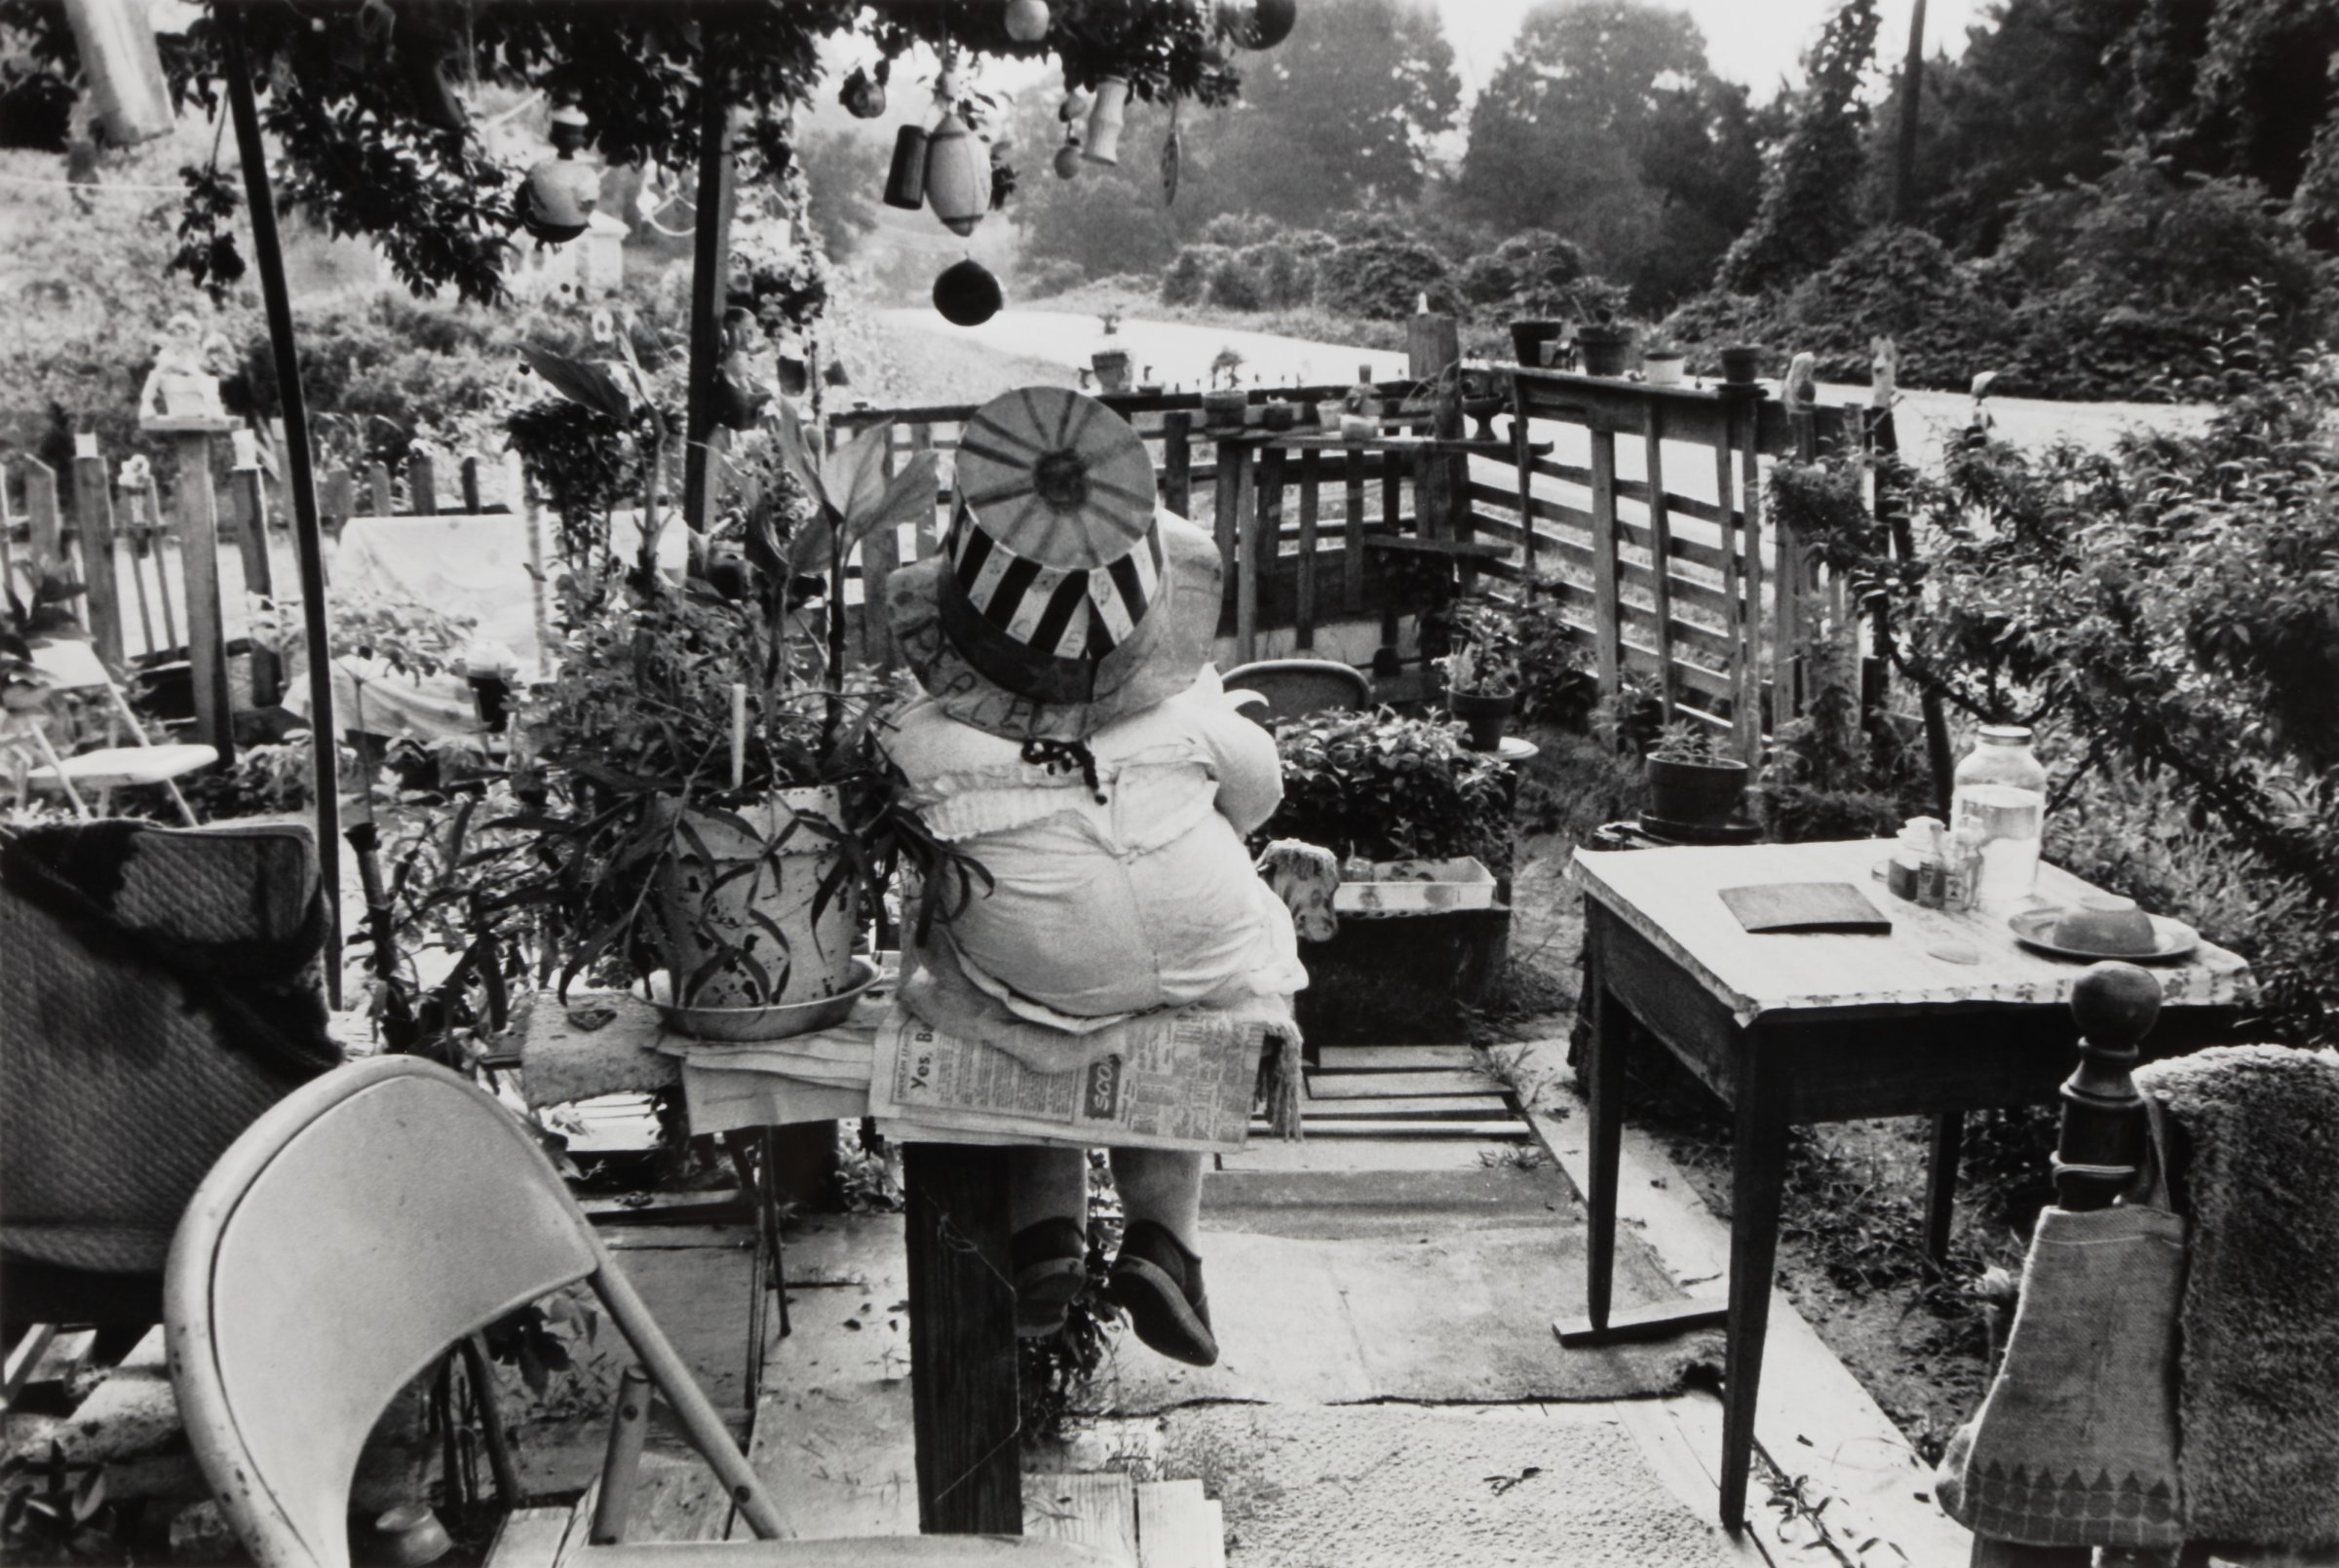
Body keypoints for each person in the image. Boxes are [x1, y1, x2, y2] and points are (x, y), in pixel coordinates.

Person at [881, 387, 1305, 1367]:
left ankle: (1045, 1235)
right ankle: (1166, 1241)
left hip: (1038, 966)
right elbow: (1258, 798)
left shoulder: (926, 739)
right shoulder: (1190, 711)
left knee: (1004, 993)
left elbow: (914, 835)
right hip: (1200, 946)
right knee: (1185, 993)